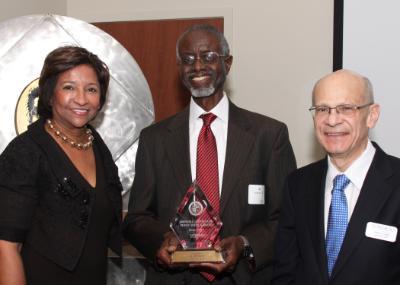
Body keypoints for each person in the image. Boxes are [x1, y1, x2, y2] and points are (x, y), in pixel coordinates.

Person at [123, 24, 296, 285]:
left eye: (209, 57)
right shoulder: (155, 138)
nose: (198, 66)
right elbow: (137, 218)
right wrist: (162, 239)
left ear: (228, 63)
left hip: (244, 278)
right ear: (179, 67)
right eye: (188, 59)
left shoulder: (269, 136)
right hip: (174, 278)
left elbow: (285, 216)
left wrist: (244, 243)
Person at [0, 46, 122, 285]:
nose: (81, 99)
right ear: (49, 94)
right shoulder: (25, 151)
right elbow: (5, 246)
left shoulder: (98, 147)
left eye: (91, 89)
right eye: (69, 87)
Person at [271, 69, 400, 285]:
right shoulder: (298, 185)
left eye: (346, 108)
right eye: (323, 109)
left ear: (372, 115)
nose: (332, 120)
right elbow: (286, 272)